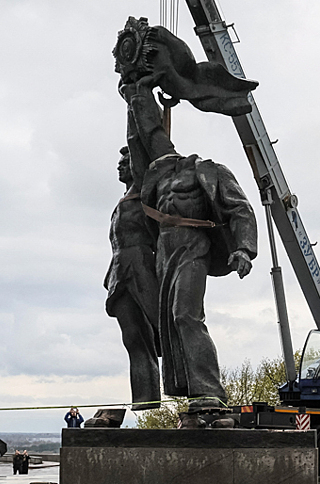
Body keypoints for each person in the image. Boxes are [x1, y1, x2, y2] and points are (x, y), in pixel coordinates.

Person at [121, 78, 257, 415]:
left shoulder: (205, 170)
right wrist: (134, 93)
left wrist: (244, 248)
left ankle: (210, 391)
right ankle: (190, 390)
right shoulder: (157, 176)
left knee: (186, 314)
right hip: (165, 253)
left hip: (193, 246)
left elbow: (239, 208)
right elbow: (141, 132)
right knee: (168, 325)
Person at [106, 146, 161, 410]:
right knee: (133, 336)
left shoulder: (146, 192)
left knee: (164, 329)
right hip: (120, 269)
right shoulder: (123, 201)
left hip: (142, 266)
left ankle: (193, 388)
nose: (120, 165)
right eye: (119, 161)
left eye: (126, 161)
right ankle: (145, 397)